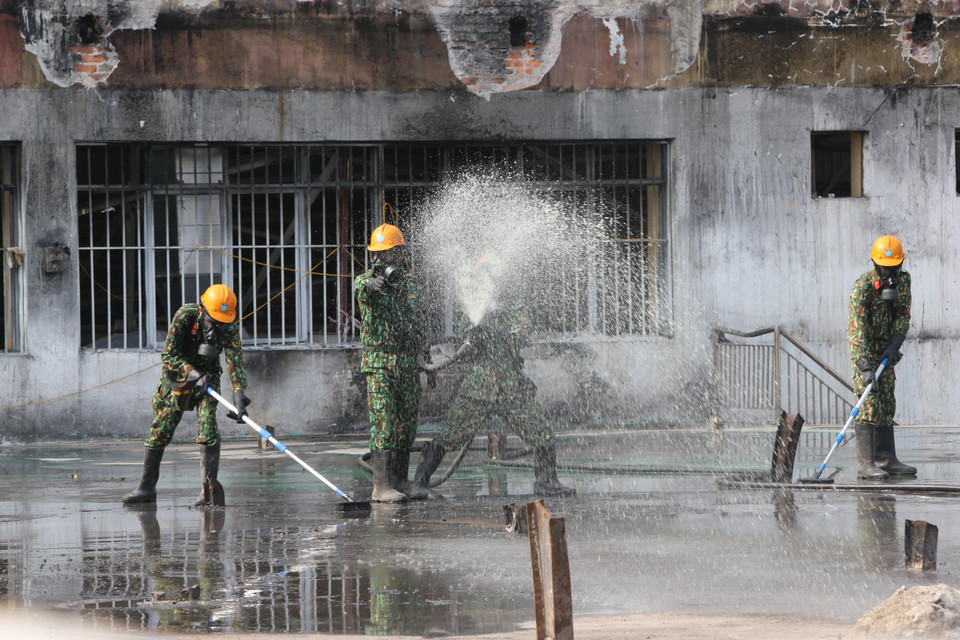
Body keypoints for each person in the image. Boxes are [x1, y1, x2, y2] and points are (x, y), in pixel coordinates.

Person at [408, 258, 575, 499]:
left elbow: (519, 338)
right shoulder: (473, 311)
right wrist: (474, 337)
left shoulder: (515, 309)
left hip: (511, 388)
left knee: (541, 431)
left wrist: (493, 333)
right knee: (451, 435)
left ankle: (547, 482)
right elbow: (466, 347)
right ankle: (420, 483)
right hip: (478, 388)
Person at [122, 284, 250, 506]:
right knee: (161, 429)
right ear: (202, 310)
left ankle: (208, 491)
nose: (216, 329)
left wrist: (239, 394)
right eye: (213, 322)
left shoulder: (229, 328)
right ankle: (146, 486)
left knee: (208, 428)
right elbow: (169, 354)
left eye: (222, 324)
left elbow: (234, 361)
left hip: (208, 379)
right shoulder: (185, 315)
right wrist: (191, 373)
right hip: (179, 378)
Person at [355, 223, 424, 503]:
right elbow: (361, 288)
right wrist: (371, 286)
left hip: (406, 363)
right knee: (383, 424)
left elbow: (417, 318)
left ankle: (400, 481)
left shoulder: (406, 284)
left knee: (406, 424)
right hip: (380, 363)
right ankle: (380, 487)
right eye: (380, 253)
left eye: (390, 252)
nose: (385, 258)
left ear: (399, 252)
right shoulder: (367, 281)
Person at [847, 234, 915, 480]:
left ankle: (886, 459)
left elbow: (903, 314)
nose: (890, 275)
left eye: (894, 268)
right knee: (868, 404)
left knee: (886, 402)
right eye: (885, 269)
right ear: (875, 264)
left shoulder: (903, 281)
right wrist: (865, 366)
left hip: (887, 349)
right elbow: (857, 332)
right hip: (865, 351)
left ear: (901, 264)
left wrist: (896, 341)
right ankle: (866, 464)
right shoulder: (862, 289)